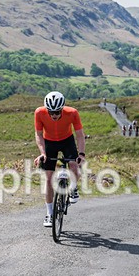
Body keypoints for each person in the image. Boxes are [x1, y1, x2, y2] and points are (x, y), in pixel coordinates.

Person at [34, 91, 86, 227]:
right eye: (51, 112)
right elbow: (38, 134)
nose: (54, 115)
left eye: (57, 112)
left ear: (62, 109)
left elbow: (79, 135)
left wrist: (81, 154)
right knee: (49, 178)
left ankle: (73, 188)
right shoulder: (39, 113)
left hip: (67, 141)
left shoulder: (72, 113)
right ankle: (50, 214)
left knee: (74, 166)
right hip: (49, 142)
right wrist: (42, 153)